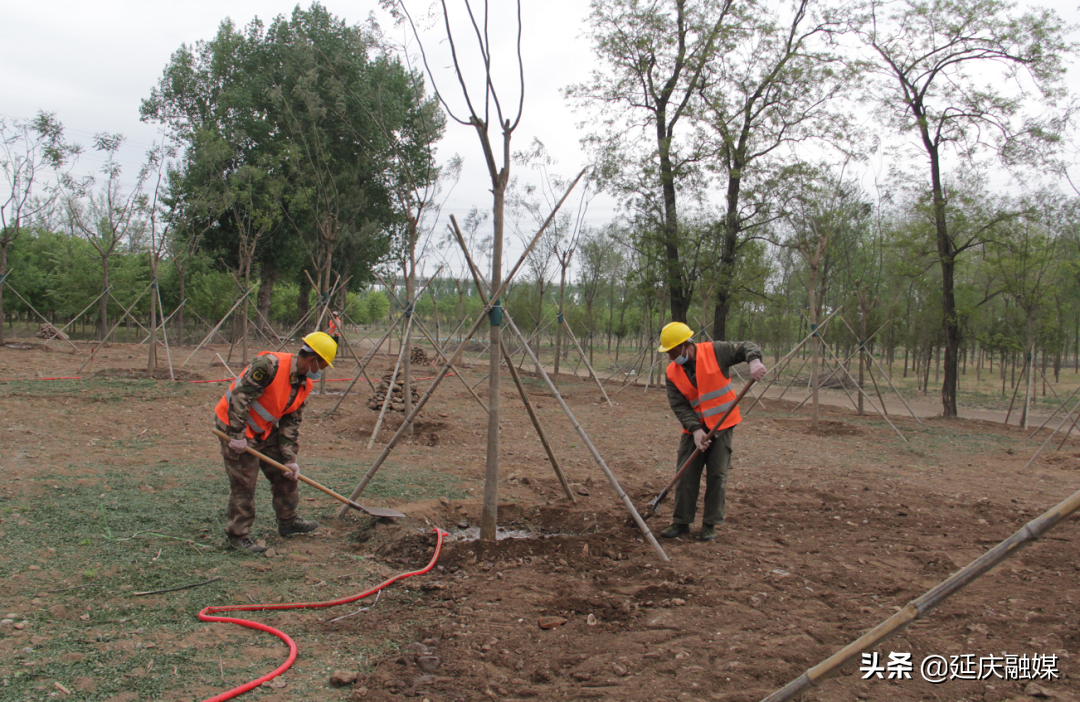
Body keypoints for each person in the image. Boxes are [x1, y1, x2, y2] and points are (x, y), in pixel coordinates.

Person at [214, 331, 338, 553]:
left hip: (263, 430)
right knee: (244, 484)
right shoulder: (269, 365)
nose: (322, 371)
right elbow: (240, 397)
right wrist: (238, 436)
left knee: (285, 473)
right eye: (323, 365)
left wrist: (290, 459)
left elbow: (291, 422)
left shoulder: (304, 384)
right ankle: (238, 536)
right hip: (234, 426)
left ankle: (288, 522)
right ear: (312, 360)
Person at [656, 322, 767, 542]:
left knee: (717, 474)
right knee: (686, 473)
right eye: (667, 353)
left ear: (686, 345)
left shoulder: (715, 351)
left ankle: (710, 524)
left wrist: (754, 361)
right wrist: (696, 431)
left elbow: (746, 346)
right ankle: (681, 522)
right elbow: (679, 405)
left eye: (673, 352)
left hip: (723, 425)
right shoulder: (671, 372)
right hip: (694, 429)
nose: (670, 357)